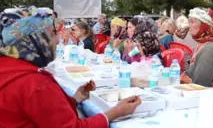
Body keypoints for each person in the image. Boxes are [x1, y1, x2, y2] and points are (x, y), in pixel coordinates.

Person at [0, 11, 141, 128]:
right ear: (32, 41)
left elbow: (44, 114)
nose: (56, 40)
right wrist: (116, 111)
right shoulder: (35, 84)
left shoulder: (9, 69)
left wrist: (74, 99)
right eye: (51, 35)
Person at [180, 8, 213, 88]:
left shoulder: (209, 50)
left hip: (208, 97)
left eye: (192, 22)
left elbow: (199, 85)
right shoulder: (202, 45)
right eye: (189, 22)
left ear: (203, 25)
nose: (188, 25)